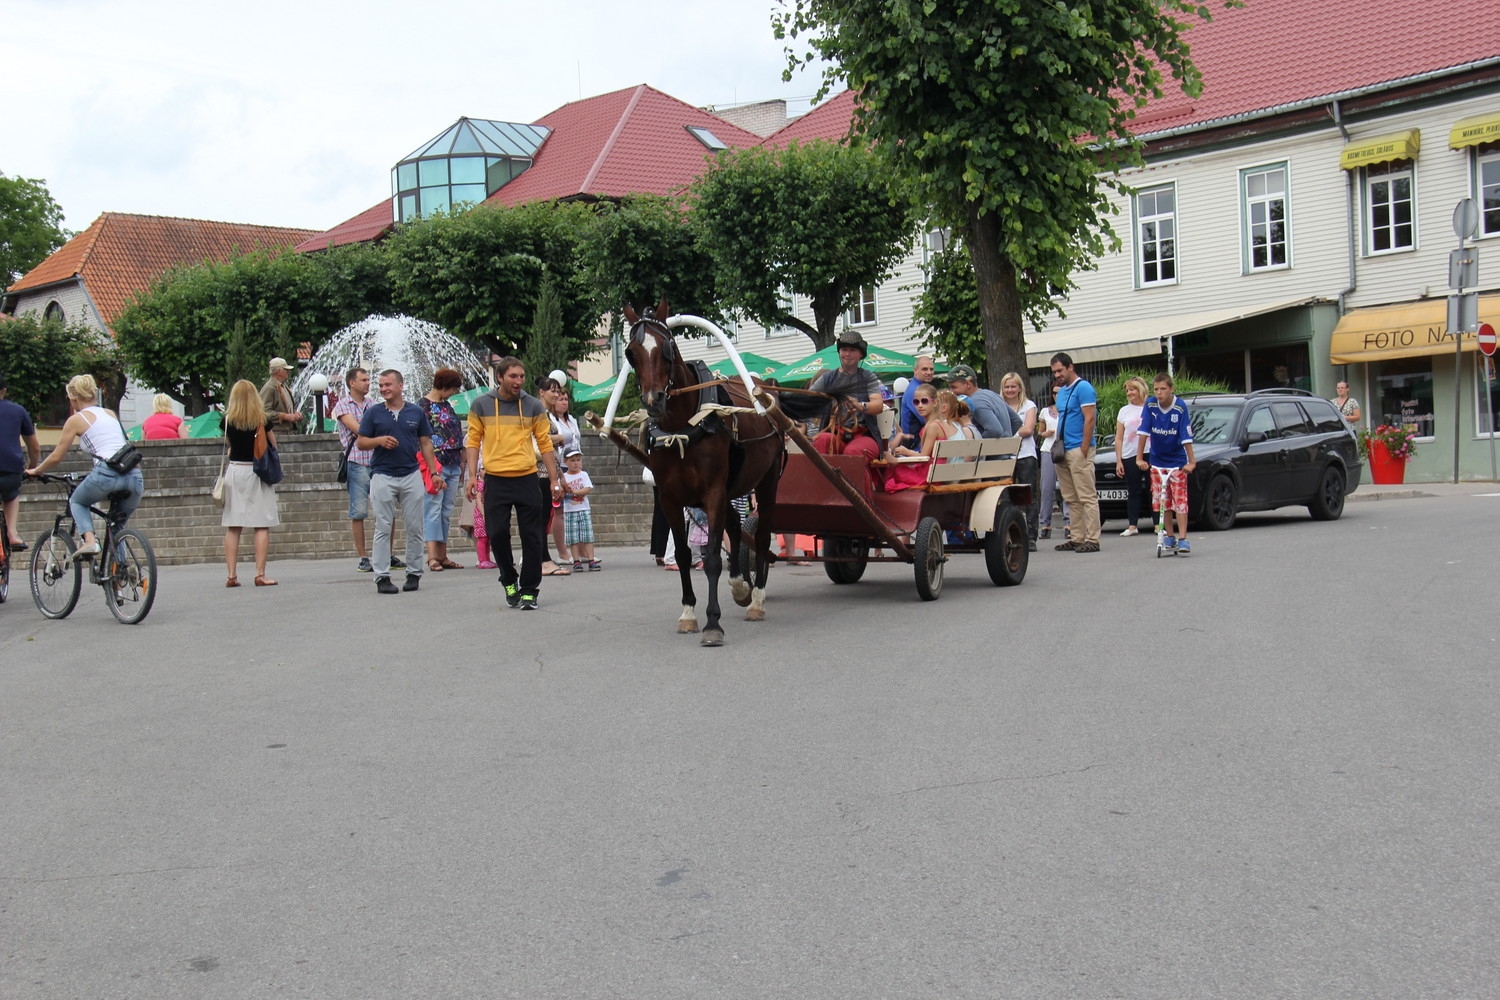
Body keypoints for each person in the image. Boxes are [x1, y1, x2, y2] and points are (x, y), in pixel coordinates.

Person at [465, 357, 564, 611]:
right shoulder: (481, 405)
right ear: (500, 377)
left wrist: (554, 479)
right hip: (496, 479)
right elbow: (473, 441)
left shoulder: (532, 406)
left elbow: (545, 443)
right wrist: (472, 476)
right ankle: (509, 581)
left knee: (533, 537)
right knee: (497, 534)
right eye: (513, 376)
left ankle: (530, 591)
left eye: (521, 376)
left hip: (527, 478)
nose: (519, 381)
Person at [26, 375, 144, 563]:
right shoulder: (110, 413)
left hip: (107, 474)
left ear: (73, 398)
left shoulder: (76, 419)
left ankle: (89, 541)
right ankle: (120, 577)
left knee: (77, 501)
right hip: (135, 475)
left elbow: (56, 457)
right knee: (117, 527)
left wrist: (36, 470)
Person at [357, 369, 440, 595]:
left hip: (411, 473)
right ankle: (382, 576)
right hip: (382, 474)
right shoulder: (374, 413)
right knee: (383, 526)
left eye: (388, 385)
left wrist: (433, 472)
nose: (384, 389)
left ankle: (414, 572)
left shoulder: (415, 412)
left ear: (400, 386)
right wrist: (379, 440)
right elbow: (361, 442)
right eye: (381, 385)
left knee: (415, 526)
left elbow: (425, 443)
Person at [217, 379, 279, 587]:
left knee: (233, 526)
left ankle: (231, 575)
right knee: (261, 524)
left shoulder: (227, 420)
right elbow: (272, 444)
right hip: (257, 472)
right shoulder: (261, 419)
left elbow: (230, 445)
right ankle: (260, 574)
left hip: (235, 471)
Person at [807, 329, 885, 486]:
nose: (847, 353)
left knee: (853, 453)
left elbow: (878, 405)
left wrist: (860, 406)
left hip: (864, 436)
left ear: (861, 354)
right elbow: (808, 397)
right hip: (836, 433)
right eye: (844, 349)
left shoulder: (867, 377)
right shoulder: (828, 378)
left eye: (852, 350)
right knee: (822, 440)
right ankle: (821, 492)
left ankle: (860, 502)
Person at [1137, 372, 1196, 554]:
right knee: (1163, 500)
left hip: (1176, 460)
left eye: (1163, 389)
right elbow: (1144, 431)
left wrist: (1191, 461)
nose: (1159, 393)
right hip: (1157, 460)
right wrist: (1140, 458)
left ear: (1171, 389)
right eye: (1156, 389)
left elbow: (1185, 436)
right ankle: (1169, 536)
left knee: (1180, 501)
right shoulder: (1150, 404)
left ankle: (1183, 538)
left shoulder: (1179, 407)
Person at [1050, 352, 1101, 553]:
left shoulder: (1084, 388)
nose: (1057, 375)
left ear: (1070, 367)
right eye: (1054, 372)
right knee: (1070, 496)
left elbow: (1090, 419)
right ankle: (1078, 537)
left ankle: (1092, 538)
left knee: (1086, 495)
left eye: (1060, 370)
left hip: (1078, 447)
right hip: (1063, 448)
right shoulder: (1061, 392)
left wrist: (1084, 448)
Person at [332, 367, 380, 573]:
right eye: (363, 380)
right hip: (357, 461)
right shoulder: (343, 405)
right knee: (358, 511)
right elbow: (360, 429)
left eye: (369, 379)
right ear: (352, 383)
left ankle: (387, 553)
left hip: (377, 461)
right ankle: (363, 556)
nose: (368, 383)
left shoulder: (374, 405)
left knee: (384, 509)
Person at [420, 368, 467, 572]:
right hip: (436, 464)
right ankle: (432, 557)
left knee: (445, 511)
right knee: (432, 509)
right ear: (444, 386)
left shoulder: (447, 405)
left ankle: (442, 554)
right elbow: (422, 439)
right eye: (453, 388)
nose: (455, 392)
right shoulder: (423, 406)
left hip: (453, 462)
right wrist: (432, 469)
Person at [1, 373, 43, 552]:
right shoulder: (18, 410)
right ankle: (12, 533)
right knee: (11, 495)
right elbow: (34, 448)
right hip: (11, 471)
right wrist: (33, 468)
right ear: (4, 391)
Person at [1000, 372, 1040, 552]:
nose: (1010, 390)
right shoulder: (999, 406)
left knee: (1029, 495)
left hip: (1025, 455)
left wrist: (1008, 435)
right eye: (1007, 387)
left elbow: (1029, 429)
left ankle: (1031, 536)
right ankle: (1008, 533)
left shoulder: (1029, 405)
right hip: (1006, 456)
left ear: (1019, 388)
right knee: (1006, 496)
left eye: (1013, 386)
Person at [1114, 376, 1153, 536]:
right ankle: (1132, 525)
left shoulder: (1151, 407)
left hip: (1150, 452)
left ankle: (1158, 524)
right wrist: (1119, 460)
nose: (1129, 393)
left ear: (1141, 390)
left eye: (1133, 389)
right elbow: (1119, 437)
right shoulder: (1124, 411)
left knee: (1154, 489)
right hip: (1129, 454)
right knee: (1133, 490)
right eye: (1128, 390)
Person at [547, 385, 582, 568]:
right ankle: (562, 551)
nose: (564, 402)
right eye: (560, 399)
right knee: (558, 510)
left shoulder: (572, 420)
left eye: (566, 399)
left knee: (578, 507)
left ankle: (582, 551)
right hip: (558, 465)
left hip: (574, 466)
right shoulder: (551, 420)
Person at [942, 364, 1022, 439]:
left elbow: (995, 430)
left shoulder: (976, 402)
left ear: (968, 384)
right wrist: (1006, 441)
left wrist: (975, 441)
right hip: (1006, 452)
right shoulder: (992, 394)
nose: (951, 391)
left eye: (954, 387)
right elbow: (1016, 421)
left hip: (992, 453)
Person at [561, 449, 600, 571]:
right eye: (572, 460)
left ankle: (591, 559)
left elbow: (587, 489)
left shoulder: (583, 475)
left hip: (583, 509)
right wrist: (562, 491)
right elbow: (560, 493)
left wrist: (573, 491)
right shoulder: (564, 477)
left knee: (588, 536)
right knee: (573, 538)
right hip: (569, 511)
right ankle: (576, 560)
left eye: (578, 460)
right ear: (565, 462)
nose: (576, 463)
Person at [1036, 389, 1067, 539]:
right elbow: (1040, 432)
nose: (1057, 395)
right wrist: (1045, 433)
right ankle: (1045, 524)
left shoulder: (1069, 409)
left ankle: (1069, 522)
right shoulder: (1045, 411)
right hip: (1049, 450)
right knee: (1046, 487)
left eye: (1060, 393)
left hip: (1065, 449)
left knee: (1066, 487)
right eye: (1054, 393)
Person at [891, 355, 936, 451]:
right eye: (924, 369)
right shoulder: (916, 391)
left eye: (931, 369)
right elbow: (929, 419)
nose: (929, 372)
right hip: (914, 446)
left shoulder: (919, 388)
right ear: (915, 371)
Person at [259, 357, 303, 432]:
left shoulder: (283, 386)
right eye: (286, 369)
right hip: (276, 434)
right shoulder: (269, 388)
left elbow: (285, 407)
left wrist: (295, 413)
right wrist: (285, 416)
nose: (288, 372)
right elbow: (263, 412)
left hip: (287, 432)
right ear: (278, 371)